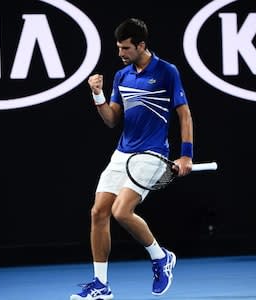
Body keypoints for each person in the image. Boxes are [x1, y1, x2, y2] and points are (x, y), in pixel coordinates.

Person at [71, 18, 193, 299]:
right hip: (122, 152)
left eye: (125, 48)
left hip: (152, 153)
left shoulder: (166, 72)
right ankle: (101, 285)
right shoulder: (122, 76)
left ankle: (161, 257)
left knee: (121, 211)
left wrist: (186, 155)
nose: (121, 54)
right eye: (118, 48)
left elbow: (184, 114)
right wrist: (98, 95)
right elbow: (112, 120)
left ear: (141, 45)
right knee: (98, 211)